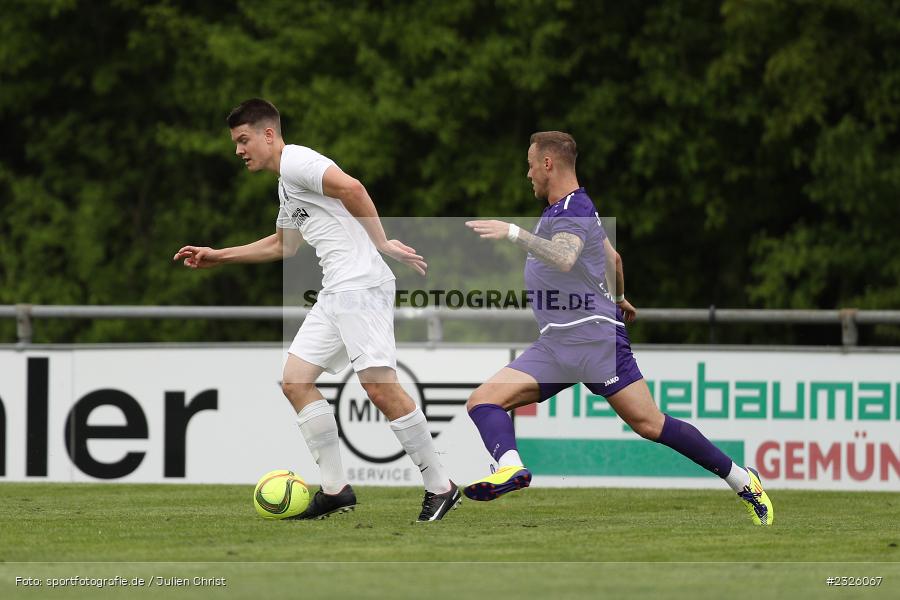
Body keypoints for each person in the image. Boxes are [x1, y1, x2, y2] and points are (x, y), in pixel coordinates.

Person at [463, 131, 774, 525]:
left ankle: (743, 480)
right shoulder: (570, 210)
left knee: (649, 423)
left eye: (529, 165)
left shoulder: (574, 208)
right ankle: (510, 468)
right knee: (482, 401)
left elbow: (563, 257)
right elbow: (615, 259)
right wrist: (620, 296)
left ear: (547, 164)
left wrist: (513, 232)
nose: (527, 175)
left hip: (591, 338)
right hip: (560, 341)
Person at [173, 98, 460, 522]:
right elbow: (283, 245)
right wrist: (219, 256)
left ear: (269, 134)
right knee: (295, 380)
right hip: (336, 291)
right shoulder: (286, 184)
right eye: (236, 142)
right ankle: (335, 490)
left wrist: (381, 243)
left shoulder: (297, 162)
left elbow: (353, 187)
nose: (238, 150)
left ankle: (442, 486)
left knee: (379, 388)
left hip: (360, 284)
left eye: (244, 139)